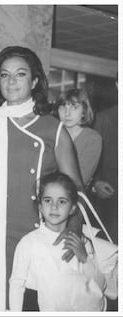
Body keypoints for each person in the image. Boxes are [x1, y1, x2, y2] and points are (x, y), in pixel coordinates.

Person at [0, 46, 84, 311]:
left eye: (20, 74)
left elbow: (76, 189)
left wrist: (75, 229)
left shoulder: (53, 128)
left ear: (35, 81)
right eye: (5, 75)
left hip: (37, 235)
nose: (11, 81)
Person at [9, 172, 110, 311]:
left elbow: (100, 285)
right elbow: (16, 283)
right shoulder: (29, 243)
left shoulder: (81, 242)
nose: (54, 207)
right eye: (48, 200)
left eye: (62, 201)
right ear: (40, 206)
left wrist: (85, 259)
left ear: (73, 208)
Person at [55, 88, 102, 187]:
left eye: (74, 107)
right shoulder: (53, 133)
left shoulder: (92, 139)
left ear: (84, 111)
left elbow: (80, 179)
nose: (67, 114)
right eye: (62, 107)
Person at [91, 74, 118, 245]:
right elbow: (93, 162)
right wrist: (96, 184)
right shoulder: (104, 119)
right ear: (117, 85)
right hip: (111, 208)